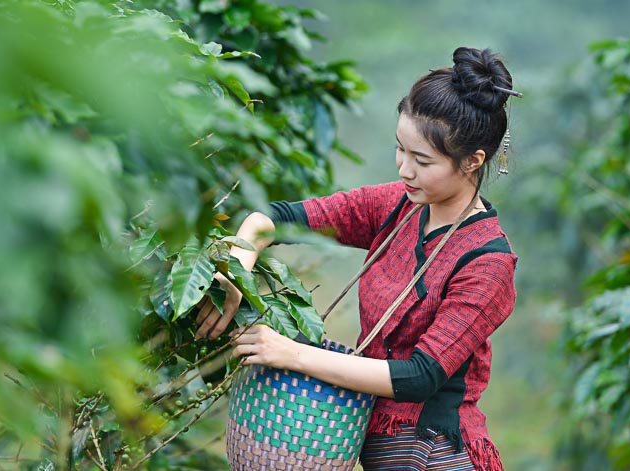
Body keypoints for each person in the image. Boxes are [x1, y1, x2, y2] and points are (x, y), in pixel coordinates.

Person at [195, 46, 520, 471]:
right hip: (375, 451)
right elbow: (279, 219)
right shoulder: (395, 206)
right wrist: (235, 271)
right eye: (400, 150)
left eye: (422, 160)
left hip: (437, 454)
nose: (404, 169)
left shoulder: (488, 262)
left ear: (473, 161)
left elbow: (421, 376)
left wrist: (292, 353)